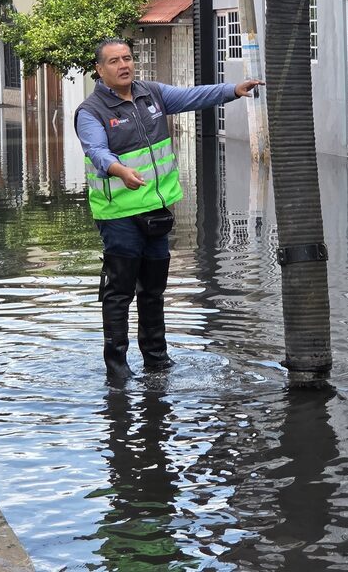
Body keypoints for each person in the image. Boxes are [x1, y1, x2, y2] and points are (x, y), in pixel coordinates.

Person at [75, 38, 263, 377]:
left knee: (153, 291)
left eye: (127, 58)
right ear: (99, 70)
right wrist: (120, 170)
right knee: (119, 293)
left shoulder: (152, 94)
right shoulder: (91, 111)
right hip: (119, 216)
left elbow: (193, 96)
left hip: (157, 212)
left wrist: (233, 90)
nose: (124, 65)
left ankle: (157, 360)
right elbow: (96, 151)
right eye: (114, 61)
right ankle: (117, 368)